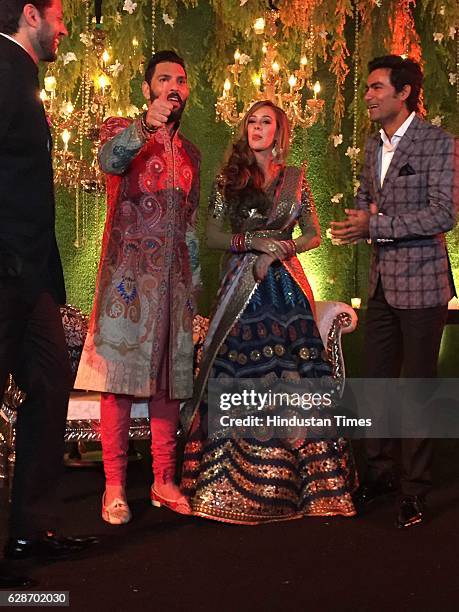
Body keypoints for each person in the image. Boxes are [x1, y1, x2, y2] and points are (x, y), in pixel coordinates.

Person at [180, 100, 357, 524]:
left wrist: (280, 249)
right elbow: (215, 235)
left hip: (288, 291)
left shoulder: (295, 179)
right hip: (241, 287)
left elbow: (314, 235)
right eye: (252, 122)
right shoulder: (230, 179)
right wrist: (253, 245)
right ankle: (229, 488)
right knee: (240, 373)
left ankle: (305, 488)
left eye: (267, 122)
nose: (258, 128)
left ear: (279, 133)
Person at [331, 55, 458, 528]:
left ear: (403, 93)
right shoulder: (372, 145)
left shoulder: (438, 143)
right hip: (381, 283)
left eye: (376, 87)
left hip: (424, 284)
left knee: (416, 387)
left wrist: (378, 225)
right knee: (379, 382)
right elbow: (368, 194)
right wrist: (360, 220)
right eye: (367, 87)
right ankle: (381, 473)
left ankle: (415, 489)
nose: (367, 95)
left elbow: (444, 214)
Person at [75, 50, 201, 524]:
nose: (173, 86)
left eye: (181, 80)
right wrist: (145, 126)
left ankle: (164, 480)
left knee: (170, 385)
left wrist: (194, 283)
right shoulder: (120, 131)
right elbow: (110, 161)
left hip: (173, 284)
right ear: (148, 88)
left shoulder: (191, 153)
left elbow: (189, 223)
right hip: (127, 283)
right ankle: (113, 488)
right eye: (163, 78)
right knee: (118, 385)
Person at [0, 0, 98, 585]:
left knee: (51, 379)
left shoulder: (23, 78)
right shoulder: (2, 72)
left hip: (29, 277)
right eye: (59, 16)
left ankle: (30, 529)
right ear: (31, 15)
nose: (65, 28)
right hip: (6, 271)